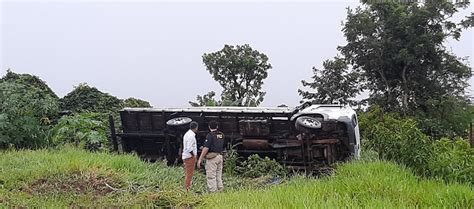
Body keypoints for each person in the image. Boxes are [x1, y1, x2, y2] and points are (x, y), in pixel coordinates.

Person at [197, 120, 225, 192]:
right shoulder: (221, 134)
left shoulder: (210, 135)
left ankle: (213, 192)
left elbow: (206, 148)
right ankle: (220, 189)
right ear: (217, 127)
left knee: (211, 176)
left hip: (212, 158)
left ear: (209, 127)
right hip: (220, 156)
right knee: (219, 175)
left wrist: (200, 159)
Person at [182, 121, 199, 192]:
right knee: (190, 174)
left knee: (188, 173)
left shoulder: (187, 134)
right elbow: (189, 148)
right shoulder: (191, 136)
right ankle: (187, 190)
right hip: (189, 157)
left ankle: (187, 188)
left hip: (186, 156)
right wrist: (194, 156)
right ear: (196, 128)